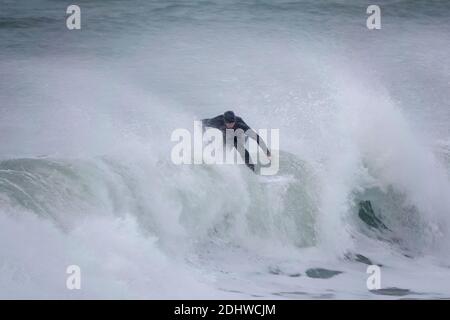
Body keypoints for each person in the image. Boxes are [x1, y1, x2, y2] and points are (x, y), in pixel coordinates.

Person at [201, 111, 271, 171]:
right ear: (224, 121)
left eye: (232, 123)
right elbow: (202, 122)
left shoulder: (240, 125)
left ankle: (253, 172)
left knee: (243, 151)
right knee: (223, 151)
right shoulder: (218, 121)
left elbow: (257, 138)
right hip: (226, 135)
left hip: (238, 135)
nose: (231, 125)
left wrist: (267, 152)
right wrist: (205, 138)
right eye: (229, 123)